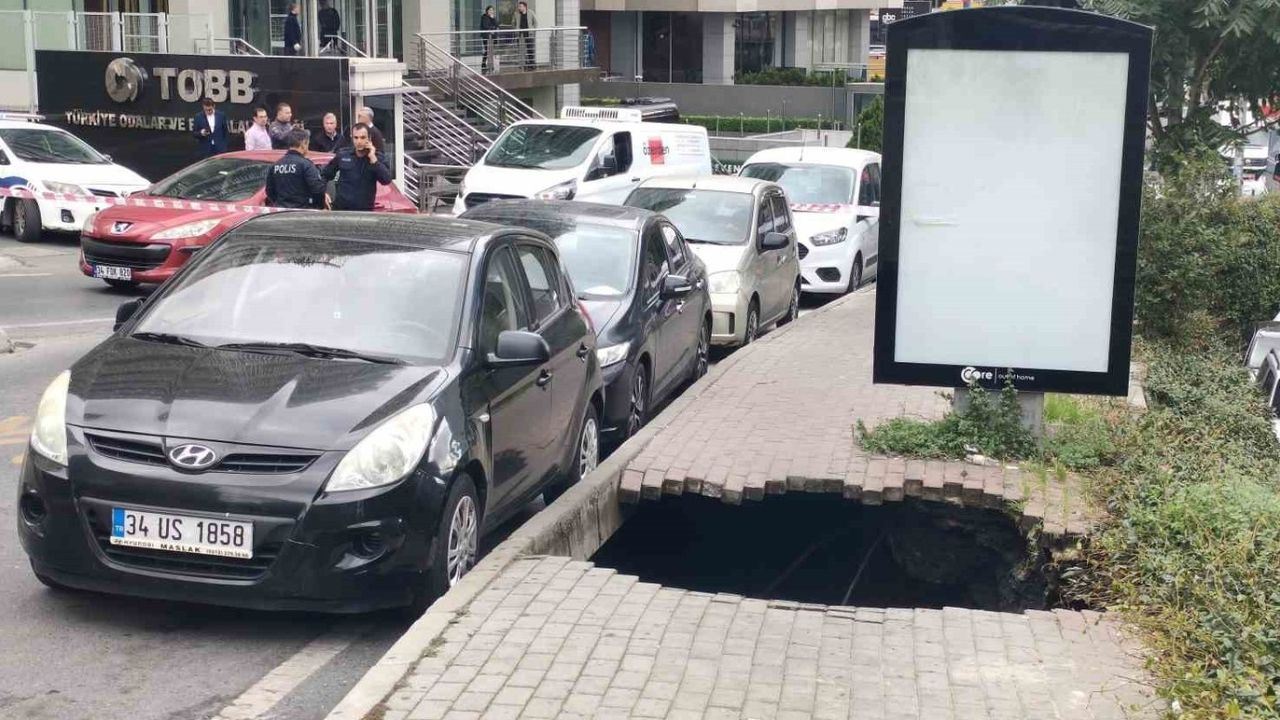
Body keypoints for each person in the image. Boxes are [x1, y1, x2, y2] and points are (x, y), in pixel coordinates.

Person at [321, 123, 392, 211]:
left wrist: (373, 159)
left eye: (362, 137)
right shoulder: (343, 154)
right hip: (341, 211)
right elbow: (324, 175)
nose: (359, 141)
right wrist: (323, 193)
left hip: (364, 213)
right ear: (352, 138)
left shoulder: (377, 158)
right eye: (356, 137)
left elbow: (386, 180)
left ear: (369, 139)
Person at [265, 129, 326, 209]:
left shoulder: (275, 165)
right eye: (307, 144)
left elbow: (269, 191)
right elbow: (317, 190)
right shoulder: (306, 165)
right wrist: (318, 207)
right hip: (302, 212)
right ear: (303, 143)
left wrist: (280, 203)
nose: (308, 148)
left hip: (281, 211)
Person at [516, 1, 535, 70]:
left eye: (520, 6)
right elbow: (513, 22)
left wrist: (532, 30)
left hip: (529, 34)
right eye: (519, 6)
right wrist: (516, 29)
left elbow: (535, 22)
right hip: (520, 35)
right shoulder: (517, 14)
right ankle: (523, 64)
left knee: (530, 50)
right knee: (521, 50)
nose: (519, 8)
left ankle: (532, 65)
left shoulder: (530, 12)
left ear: (525, 7)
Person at [480, 6, 499, 74]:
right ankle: (484, 63)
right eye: (490, 10)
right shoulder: (484, 17)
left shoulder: (493, 17)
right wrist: (491, 29)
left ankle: (490, 64)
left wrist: (493, 18)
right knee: (487, 50)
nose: (491, 11)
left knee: (491, 51)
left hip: (493, 37)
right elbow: (485, 26)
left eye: (492, 10)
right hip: (486, 36)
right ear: (487, 11)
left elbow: (497, 25)